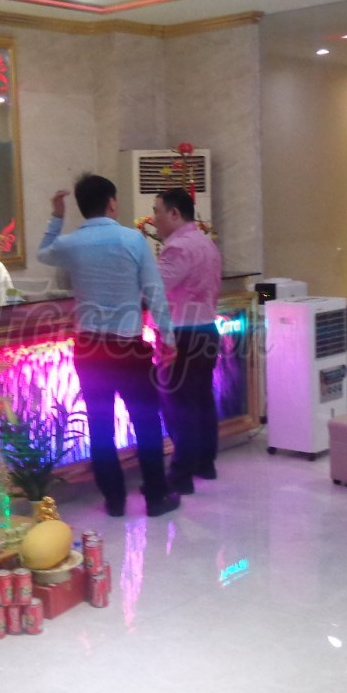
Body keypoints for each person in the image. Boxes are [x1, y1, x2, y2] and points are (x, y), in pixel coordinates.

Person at [38, 173, 180, 518]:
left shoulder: (71, 244)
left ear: (82, 207)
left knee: (100, 425)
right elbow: (155, 293)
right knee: (146, 422)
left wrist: (56, 216)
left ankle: (114, 500)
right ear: (112, 203)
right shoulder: (133, 240)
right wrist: (168, 338)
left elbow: (43, 253)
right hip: (129, 349)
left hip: (89, 349)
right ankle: (156, 497)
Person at [152, 188, 222, 494]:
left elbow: (155, 287)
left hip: (183, 334)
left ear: (174, 213)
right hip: (207, 329)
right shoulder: (206, 242)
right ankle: (205, 463)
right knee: (202, 400)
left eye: (157, 211)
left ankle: (181, 475)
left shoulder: (178, 248)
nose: (154, 219)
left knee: (179, 405)